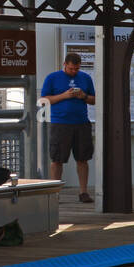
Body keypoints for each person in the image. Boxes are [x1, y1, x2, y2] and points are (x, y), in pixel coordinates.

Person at [40, 52, 97, 203]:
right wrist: (64, 95)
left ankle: (83, 192)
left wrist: (83, 96)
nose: (74, 72)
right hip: (60, 123)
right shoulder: (52, 78)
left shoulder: (85, 78)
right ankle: (55, 193)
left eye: (77, 69)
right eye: (71, 68)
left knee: (83, 159)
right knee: (57, 159)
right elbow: (43, 100)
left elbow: (94, 100)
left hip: (81, 123)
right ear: (65, 64)